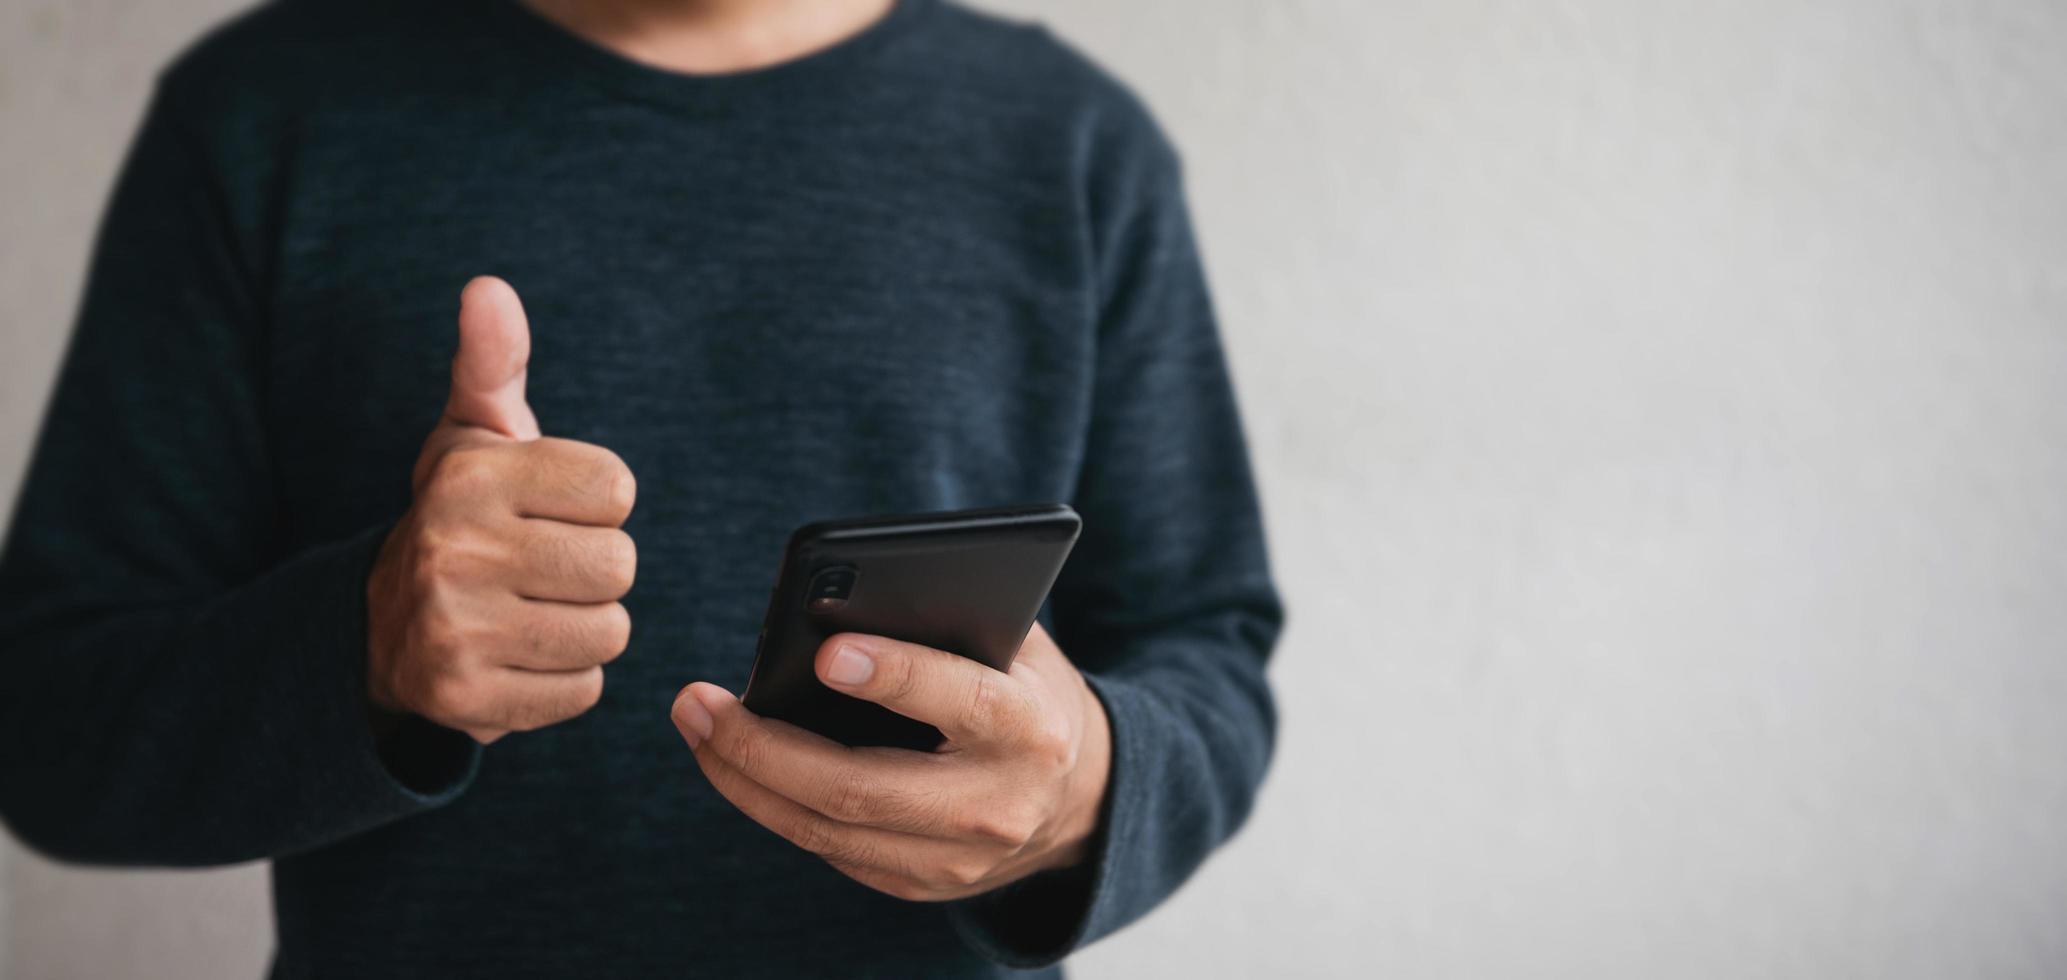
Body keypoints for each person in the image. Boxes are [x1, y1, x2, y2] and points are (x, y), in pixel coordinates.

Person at [0, 0, 1282, 976]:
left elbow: (1207, 647)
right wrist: (366, 651)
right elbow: (49, 726)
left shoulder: (1071, 143)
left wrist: (1082, 794)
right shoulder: (262, 112)